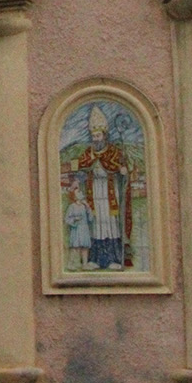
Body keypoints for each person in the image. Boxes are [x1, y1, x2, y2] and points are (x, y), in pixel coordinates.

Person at [75, 105, 128, 269]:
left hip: (110, 192)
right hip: (94, 194)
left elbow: (122, 168)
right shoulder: (87, 153)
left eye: (98, 135)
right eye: (93, 136)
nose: (96, 139)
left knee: (110, 224)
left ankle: (114, 259)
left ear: (104, 135)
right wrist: (79, 177)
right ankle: (95, 259)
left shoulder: (114, 152)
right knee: (96, 225)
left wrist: (123, 170)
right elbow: (80, 168)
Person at [64, 181, 94, 269]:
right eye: (78, 192)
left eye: (80, 192)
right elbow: (67, 219)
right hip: (76, 228)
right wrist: (74, 219)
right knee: (75, 247)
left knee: (85, 247)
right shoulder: (72, 207)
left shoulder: (84, 206)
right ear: (74, 196)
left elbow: (91, 218)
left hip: (84, 228)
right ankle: (70, 264)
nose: (80, 193)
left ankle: (85, 264)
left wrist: (88, 208)